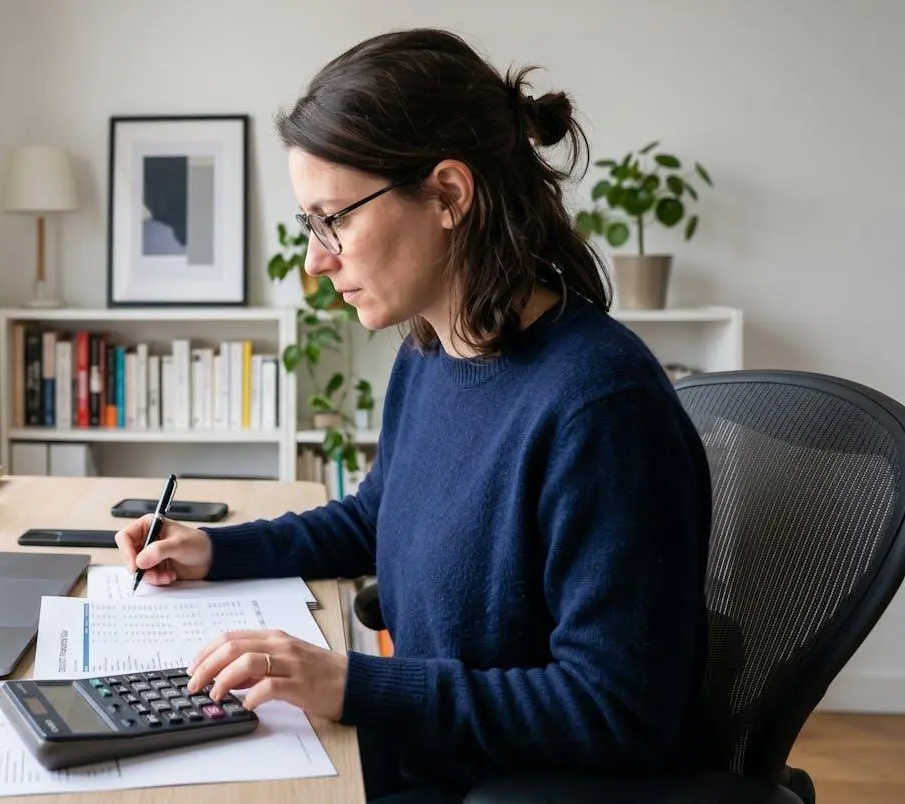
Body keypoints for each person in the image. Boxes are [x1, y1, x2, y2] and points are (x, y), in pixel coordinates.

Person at [113, 28, 713, 804]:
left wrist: (355, 685)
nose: (315, 260)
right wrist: (216, 551)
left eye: (334, 219)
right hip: (420, 753)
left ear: (449, 196)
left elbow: (617, 711)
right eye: (310, 224)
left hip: (487, 784)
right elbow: (377, 516)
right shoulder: (432, 350)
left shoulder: (601, 410)